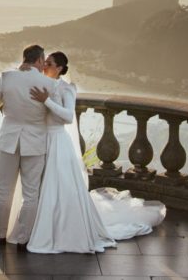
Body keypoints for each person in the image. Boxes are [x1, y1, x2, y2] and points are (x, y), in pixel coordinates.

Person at [25, 51, 166, 253]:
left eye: (49, 63)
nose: (45, 65)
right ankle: (36, 226)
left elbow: (67, 117)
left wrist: (46, 100)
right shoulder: (41, 84)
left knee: (58, 185)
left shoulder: (67, 88)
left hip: (58, 141)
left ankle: (61, 230)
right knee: (38, 185)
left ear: (59, 68)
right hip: (41, 140)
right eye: (44, 62)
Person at [0, 44, 57, 248]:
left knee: (3, 192)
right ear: (39, 61)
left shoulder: (7, 77)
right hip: (35, 142)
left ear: (24, 58)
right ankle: (23, 239)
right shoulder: (48, 84)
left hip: (8, 140)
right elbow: (55, 115)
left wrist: (6, 101)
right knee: (31, 194)